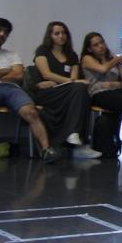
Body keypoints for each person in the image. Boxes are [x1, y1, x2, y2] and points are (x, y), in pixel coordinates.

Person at [31, 21, 100, 159]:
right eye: (56, 33)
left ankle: (75, 135)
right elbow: (46, 74)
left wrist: (67, 81)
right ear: (50, 35)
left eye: (64, 33)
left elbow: (73, 77)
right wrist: (71, 81)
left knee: (81, 90)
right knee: (79, 89)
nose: (61, 36)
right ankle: (77, 139)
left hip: (65, 91)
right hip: (46, 92)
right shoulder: (42, 50)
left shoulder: (71, 55)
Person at [0, 18, 59, 162]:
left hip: (11, 89)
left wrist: (4, 74)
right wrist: (6, 70)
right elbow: (13, 73)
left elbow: (19, 75)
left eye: (6, 32)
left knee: (31, 112)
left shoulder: (12, 54)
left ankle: (46, 150)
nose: (2, 34)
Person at [81, 32, 122, 158]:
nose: (101, 46)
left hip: (115, 90)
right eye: (96, 45)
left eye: (102, 42)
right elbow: (102, 69)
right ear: (90, 49)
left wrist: (114, 84)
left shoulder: (112, 58)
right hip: (98, 93)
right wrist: (115, 61)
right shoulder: (87, 58)